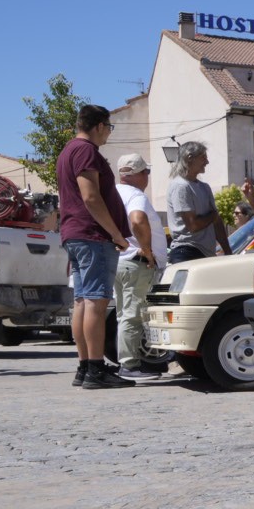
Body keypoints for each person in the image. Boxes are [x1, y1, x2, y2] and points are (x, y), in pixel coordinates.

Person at [55, 104, 132, 389]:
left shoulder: (67, 151)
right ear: (99, 125)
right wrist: (116, 234)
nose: (109, 134)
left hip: (75, 234)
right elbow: (90, 197)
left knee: (82, 301)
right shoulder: (86, 151)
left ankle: (85, 367)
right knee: (95, 303)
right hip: (92, 235)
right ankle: (96, 369)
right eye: (109, 128)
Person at [113, 154, 167, 381]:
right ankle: (129, 365)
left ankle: (126, 362)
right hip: (136, 263)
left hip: (120, 261)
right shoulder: (136, 196)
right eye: (146, 172)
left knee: (123, 315)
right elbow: (137, 220)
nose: (147, 177)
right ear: (135, 175)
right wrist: (146, 249)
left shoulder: (113, 194)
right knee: (133, 316)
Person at [165, 141, 231, 263]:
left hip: (207, 254)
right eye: (203, 157)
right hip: (186, 252)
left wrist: (228, 251)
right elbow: (193, 225)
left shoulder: (204, 187)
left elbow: (217, 223)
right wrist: (213, 216)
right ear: (190, 158)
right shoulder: (180, 186)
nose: (207, 162)